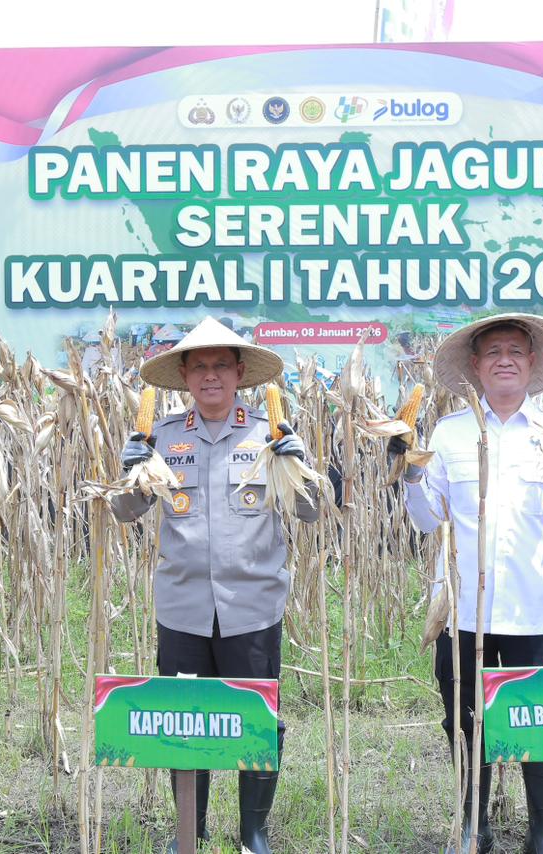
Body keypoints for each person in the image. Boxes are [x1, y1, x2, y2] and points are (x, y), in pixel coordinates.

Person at [390, 313, 543, 854]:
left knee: (541, 719)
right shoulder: (449, 432)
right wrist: (410, 473)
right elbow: (426, 519)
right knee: (465, 721)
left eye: (516, 350)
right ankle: (474, 824)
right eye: (493, 352)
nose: (505, 360)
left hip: (536, 606)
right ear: (475, 366)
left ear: (533, 363)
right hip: (463, 610)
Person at [109, 317, 319, 854]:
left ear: (239, 372)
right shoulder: (163, 436)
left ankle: (253, 831)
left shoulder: (268, 436)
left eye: (220, 365)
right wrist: (130, 473)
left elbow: (312, 512)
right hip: (182, 608)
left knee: (258, 717)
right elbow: (127, 512)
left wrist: (298, 466)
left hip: (252, 606)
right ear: (184, 375)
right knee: (186, 720)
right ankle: (191, 833)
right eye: (199, 366)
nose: (210, 376)